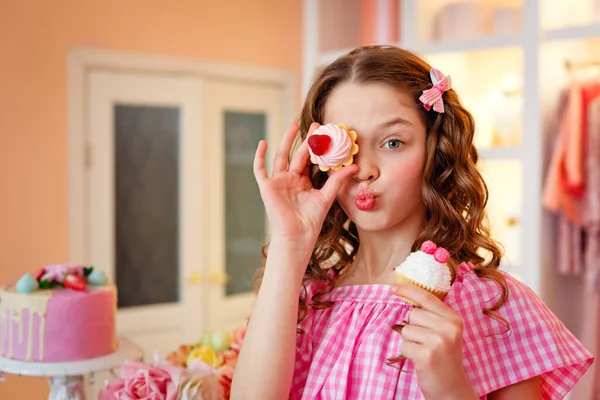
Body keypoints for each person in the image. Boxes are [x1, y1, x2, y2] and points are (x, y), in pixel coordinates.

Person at [230, 45, 593, 399]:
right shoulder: (307, 299)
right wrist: (290, 241)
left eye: (392, 142)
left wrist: (451, 389)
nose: (365, 170)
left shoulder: (494, 304)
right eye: (346, 146)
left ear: (436, 151)